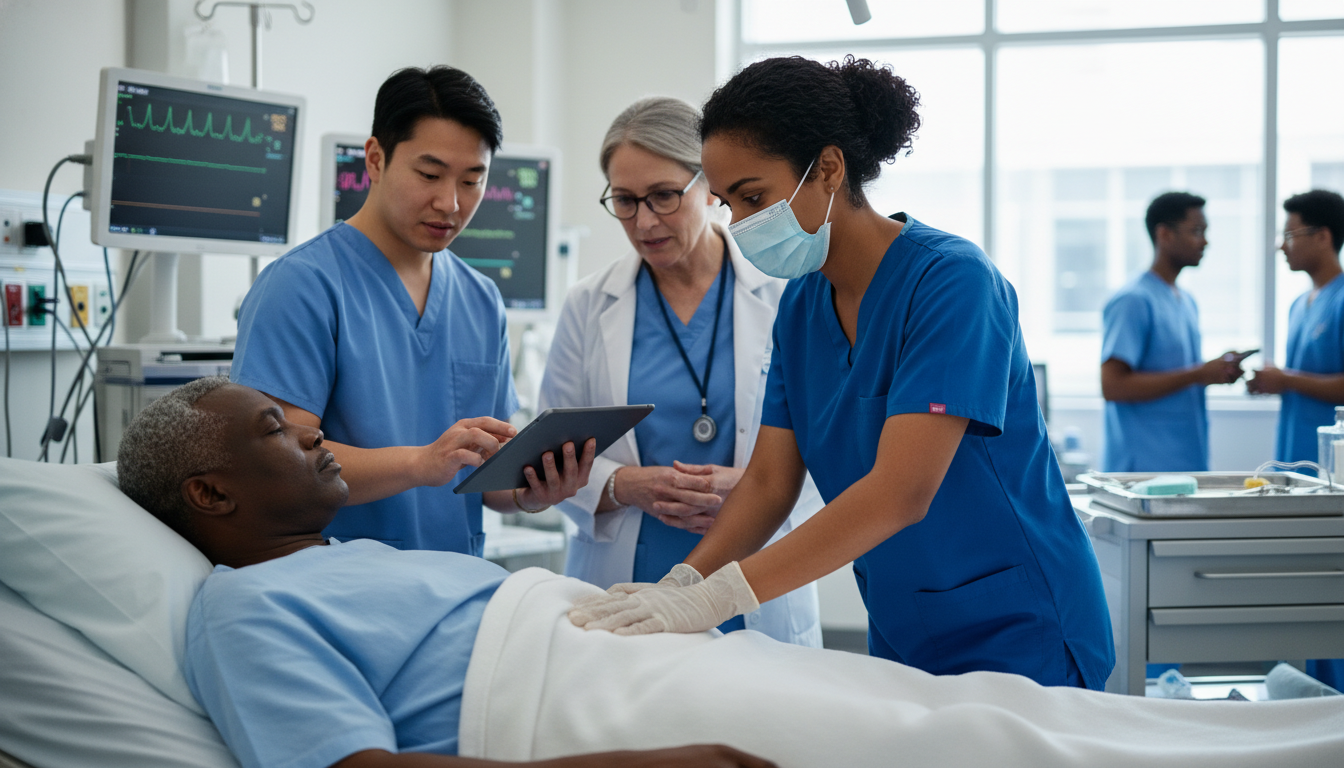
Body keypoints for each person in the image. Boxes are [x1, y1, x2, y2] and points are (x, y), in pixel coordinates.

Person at [116, 377, 1344, 768]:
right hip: (573, 699)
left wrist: (689, 608)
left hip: (613, 638)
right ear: (212, 493)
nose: (319, 433)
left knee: (986, 712)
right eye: (282, 431)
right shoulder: (241, 610)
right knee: (953, 744)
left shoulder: (343, 560)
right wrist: (652, 766)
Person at [568, 56, 1114, 690]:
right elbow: (771, 481)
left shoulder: (953, 284)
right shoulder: (801, 305)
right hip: (907, 616)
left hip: (1020, 620)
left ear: (828, 169)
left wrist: (718, 600)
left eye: (753, 197)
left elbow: (900, 492)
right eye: (726, 204)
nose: (740, 225)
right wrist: (680, 586)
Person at [231, 66, 594, 556]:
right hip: (339, 588)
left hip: (456, 586)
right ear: (376, 159)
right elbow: (282, 464)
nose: (450, 203)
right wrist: (420, 463)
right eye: (429, 175)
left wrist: (535, 490)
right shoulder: (302, 286)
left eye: (472, 180)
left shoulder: (481, 300)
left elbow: (488, 484)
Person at [537, 97, 821, 644]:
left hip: (754, 577)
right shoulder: (589, 305)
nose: (644, 221)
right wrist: (623, 484)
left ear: (709, 186)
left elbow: (833, 452)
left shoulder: (789, 295)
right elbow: (551, 452)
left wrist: (761, 488)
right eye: (625, 201)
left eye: (664, 196)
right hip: (625, 581)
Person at [1247, 188, 1344, 691]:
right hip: (1297, 468)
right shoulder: (1298, 305)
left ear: (1324, 237)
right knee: (1303, 595)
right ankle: (1312, 701)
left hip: (1336, 475)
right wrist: (1275, 382)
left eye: (1291, 235)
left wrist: (1286, 378)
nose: (1283, 246)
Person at [1099, 192, 1244, 472]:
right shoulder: (1133, 300)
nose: (1205, 241)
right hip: (1143, 467)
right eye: (1196, 231)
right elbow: (1113, 386)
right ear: (1164, 234)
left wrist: (1214, 372)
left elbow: (1183, 375)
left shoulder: (1185, 301)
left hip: (1184, 461)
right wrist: (1200, 373)